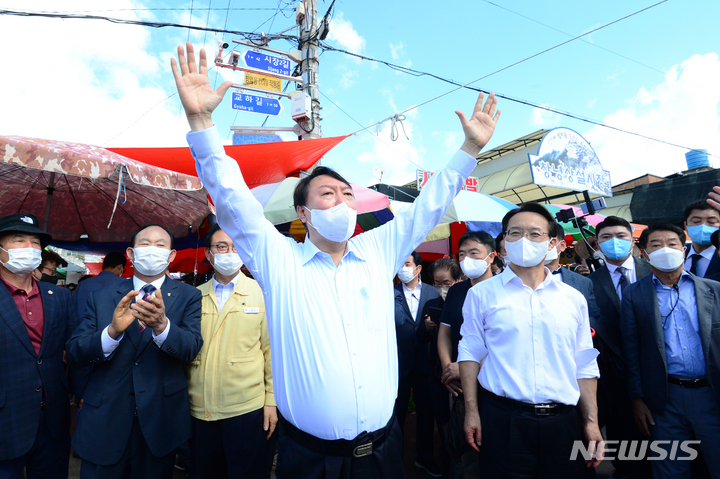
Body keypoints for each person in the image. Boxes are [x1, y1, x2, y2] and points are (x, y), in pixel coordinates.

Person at [172, 42, 500, 478]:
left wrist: (469, 149)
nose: (342, 202)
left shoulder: (377, 250)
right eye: (328, 194)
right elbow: (232, 199)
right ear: (304, 214)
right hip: (310, 461)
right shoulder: (279, 260)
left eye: (347, 194)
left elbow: (429, 206)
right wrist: (201, 122)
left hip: (384, 452)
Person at [459, 203, 602, 477]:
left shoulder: (573, 298)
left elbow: (584, 362)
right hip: (503, 421)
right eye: (515, 233)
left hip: (564, 422)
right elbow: (470, 353)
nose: (524, 240)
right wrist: (472, 411)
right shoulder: (481, 295)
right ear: (503, 243)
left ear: (551, 243)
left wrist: (591, 422)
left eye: (534, 234)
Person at [66, 224, 203, 479]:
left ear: (171, 255)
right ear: (130, 253)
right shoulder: (101, 295)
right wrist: (112, 332)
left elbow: (191, 348)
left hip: (160, 421)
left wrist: (163, 327)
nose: (152, 250)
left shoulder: (189, 296)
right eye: (145, 244)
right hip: (105, 420)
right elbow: (75, 352)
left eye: (160, 245)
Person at [620, 222, 720, 478]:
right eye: (656, 245)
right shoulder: (634, 294)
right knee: (670, 469)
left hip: (711, 392)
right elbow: (631, 349)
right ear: (644, 252)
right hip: (664, 398)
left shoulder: (714, 290)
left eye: (672, 244)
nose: (665, 249)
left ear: (683, 250)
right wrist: (637, 398)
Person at [187, 223, 276, 479]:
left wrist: (271, 401)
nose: (229, 252)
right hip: (199, 409)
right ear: (209, 254)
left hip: (246, 409)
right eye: (221, 246)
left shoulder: (262, 294)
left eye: (235, 246)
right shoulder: (194, 296)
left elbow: (271, 354)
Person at [0, 213, 76, 479]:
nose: (30, 248)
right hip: (6, 421)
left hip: (53, 421)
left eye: (35, 243)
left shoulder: (60, 297)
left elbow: (74, 349)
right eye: (19, 240)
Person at [586, 216, 652, 478]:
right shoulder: (589, 283)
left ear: (632, 240)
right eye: (606, 237)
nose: (614, 242)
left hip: (657, 371)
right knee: (624, 438)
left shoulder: (653, 271)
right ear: (598, 244)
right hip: (614, 376)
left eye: (621, 236)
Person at [437, 231, 496, 479]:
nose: (466, 259)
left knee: (492, 447)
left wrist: (466, 367)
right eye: (462, 254)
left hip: (493, 384)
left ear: (491, 257)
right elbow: (444, 334)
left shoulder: (503, 289)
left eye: (474, 253)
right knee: (464, 448)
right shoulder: (457, 291)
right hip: (461, 386)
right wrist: (449, 368)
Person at [394, 252, 442, 477]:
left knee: (426, 414)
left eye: (407, 264)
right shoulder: (389, 293)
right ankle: (394, 461)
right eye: (400, 264)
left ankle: (425, 458)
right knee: (397, 415)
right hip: (399, 364)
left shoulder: (433, 293)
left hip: (425, 363)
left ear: (418, 268)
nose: (402, 268)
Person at [416, 258, 462, 479]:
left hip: (465, 376)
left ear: (458, 280)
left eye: (447, 283)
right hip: (437, 376)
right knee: (443, 427)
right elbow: (420, 337)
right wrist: (425, 328)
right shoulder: (431, 305)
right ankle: (447, 469)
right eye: (437, 283)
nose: (442, 288)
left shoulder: (467, 303)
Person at [71, 252, 127, 407]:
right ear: (120, 267)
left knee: (85, 404)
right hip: (112, 349)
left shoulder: (83, 285)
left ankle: (82, 401)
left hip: (82, 346)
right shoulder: (124, 286)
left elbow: (73, 316)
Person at [683, 200, 720, 278]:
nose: (703, 226)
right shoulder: (677, 253)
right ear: (686, 226)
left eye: (711, 222)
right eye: (696, 221)